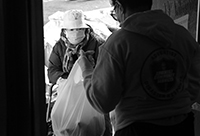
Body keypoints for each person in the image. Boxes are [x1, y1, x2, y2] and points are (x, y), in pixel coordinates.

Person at [77, 0, 200, 136]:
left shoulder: (118, 44)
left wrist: (87, 70)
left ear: (120, 7)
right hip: (182, 126)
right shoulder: (183, 36)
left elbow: (102, 102)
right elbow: (195, 88)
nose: (116, 17)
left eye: (114, 12)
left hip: (135, 129)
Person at [47, 9, 112, 136]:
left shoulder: (98, 44)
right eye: (71, 30)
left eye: (79, 29)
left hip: (93, 93)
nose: (75, 33)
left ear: (85, 29)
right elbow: (52, 70)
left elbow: (105, 70)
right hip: (69, 95)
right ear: (65, 31)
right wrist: (63, 80)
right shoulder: (59, 47)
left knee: (98, 126)